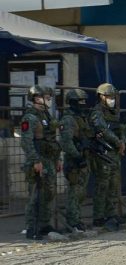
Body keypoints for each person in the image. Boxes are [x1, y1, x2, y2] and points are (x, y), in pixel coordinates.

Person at [20, 85, 62, 239]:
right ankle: (32, 227)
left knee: (49, 193)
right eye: (46, 97)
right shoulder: (30, 118)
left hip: (49, 160)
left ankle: (44, 224)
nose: (49, 100)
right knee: (35, 195)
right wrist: (35, 160)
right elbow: (26, 142)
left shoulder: (46, 116)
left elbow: (51, 139)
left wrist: (57, 159)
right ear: (37, 98)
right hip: (38, 160)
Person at [89, 83, 125, 231]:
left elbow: (119, 129)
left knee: (114, 185)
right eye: (109, 97)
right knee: (102, 185)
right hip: (103, 153)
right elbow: (103, 129)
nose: (112, 100)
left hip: (115, 153)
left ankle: (111, 215)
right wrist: (118, 142)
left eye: (113, 97)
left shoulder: (113, 113)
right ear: (101, 97)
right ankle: (99, 217)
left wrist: (122, 141)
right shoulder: (97, 113)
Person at [58, 89, 93, 232]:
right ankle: (72, 222)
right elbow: (67, 143)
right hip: (74, 161)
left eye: (84, 101)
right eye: (80, 102)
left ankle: (77, 219)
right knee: (75, 192)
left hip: (83, 158)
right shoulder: (68, 119)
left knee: (80, 193)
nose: (83, 104)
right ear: (72, 102)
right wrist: (78, 157)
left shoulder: (81, 117)